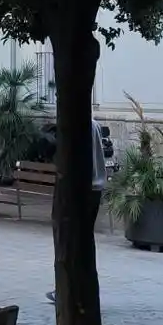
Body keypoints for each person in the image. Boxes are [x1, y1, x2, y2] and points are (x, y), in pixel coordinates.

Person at [47, 116, 108, 306]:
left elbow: (80, 160)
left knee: (73, 243)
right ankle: (80, 290)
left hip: (84, 190)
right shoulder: (92, 124)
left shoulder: (80, 125)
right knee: (82, 243)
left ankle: (71, 291)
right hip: (92, 188)